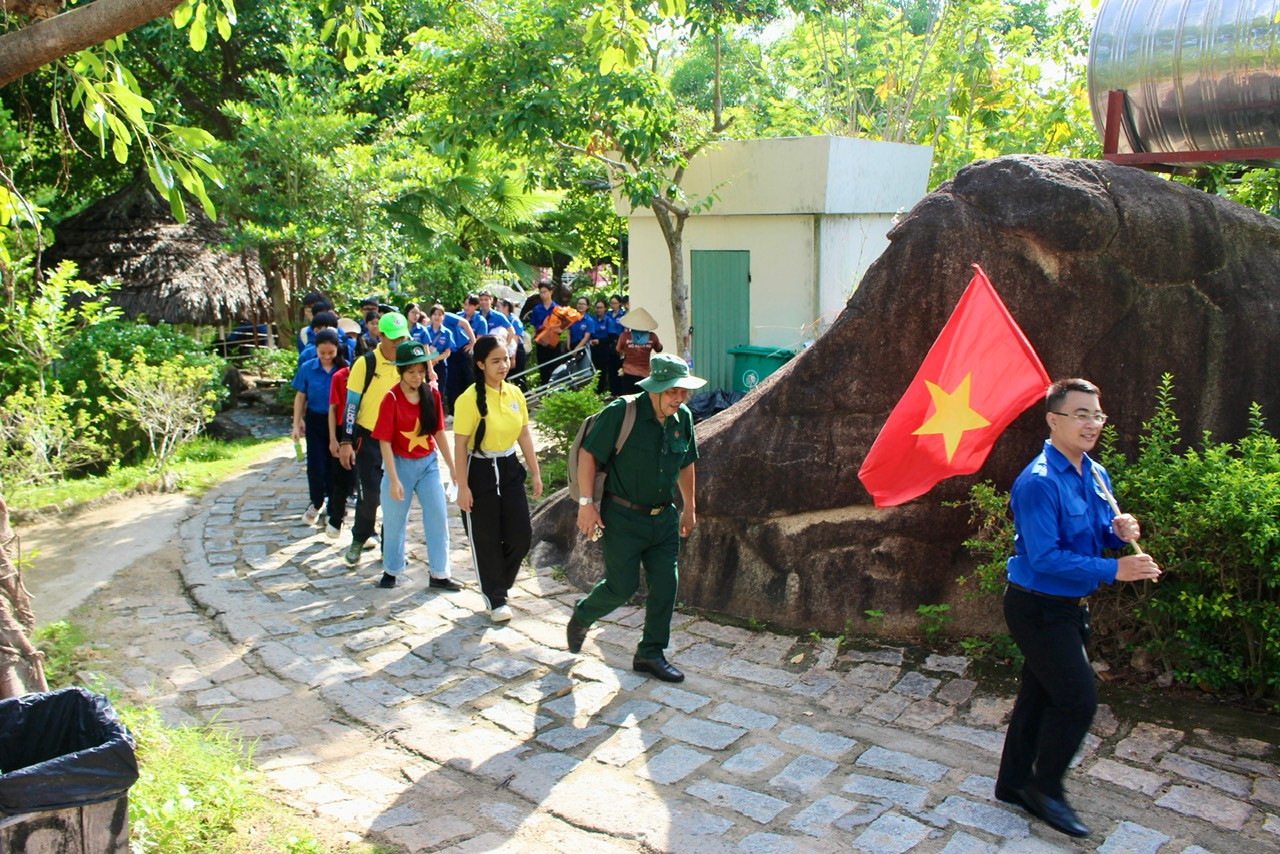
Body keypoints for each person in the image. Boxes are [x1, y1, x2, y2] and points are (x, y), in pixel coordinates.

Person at [994, 378, 1161, 838]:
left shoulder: (1095, 473)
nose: (1092, 424)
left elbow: (1096, 535)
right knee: (1077, 698)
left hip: (1069, 606)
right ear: (1053, 419)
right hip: (1037, 608)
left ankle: (1013, 784)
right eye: (1081, 414)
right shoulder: (1038, 482)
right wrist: (1115, 570)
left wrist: (1119, 533)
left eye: (1097, 415)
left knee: (1040, 693)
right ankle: (1045, 789)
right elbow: (1045, 558)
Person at [567, 354, 704, 682]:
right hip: (623, 517)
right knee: (622, 587)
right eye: (672, 391)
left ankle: (650, 653)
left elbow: (686, 463)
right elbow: (588, 454)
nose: (679, 398)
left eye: (683, 391)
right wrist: (586, 504)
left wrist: (689, 507)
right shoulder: (622, 412)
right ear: (655, 388)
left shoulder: (682, 418)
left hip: (664, 518)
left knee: (666, 583)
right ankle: (584, 614)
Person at [453, 336, 543, 622]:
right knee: (486, 537)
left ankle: (498, 583)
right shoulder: (468, 400)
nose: (503, 365)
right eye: (496, 361)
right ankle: (495, 598)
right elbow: (459, 445)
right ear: (481, 364)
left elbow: (524, 434)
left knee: (521, 535)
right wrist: (462, 487)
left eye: (505, 359)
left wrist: (535, 472)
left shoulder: (515, 393)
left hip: (509, 466)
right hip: (478, 470)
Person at [373, 341, 462, 590]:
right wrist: (393, 479)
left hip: (428, 464)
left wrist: (452, 468)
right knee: (394, 521)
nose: (416, 376)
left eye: (421, 371)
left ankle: (440, 574)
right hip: (399, 464)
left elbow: (439, 433)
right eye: (411, 371)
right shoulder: (391, 398)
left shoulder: (431, 394)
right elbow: (384, 441)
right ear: (400, 371)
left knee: (437, 516)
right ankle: (391, 570)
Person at [339, 313, 414, 567]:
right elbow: (351, 405)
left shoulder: (410, 362)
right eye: (393, 338)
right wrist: (346, 442)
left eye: (403, 338)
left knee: (397, 496)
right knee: (370, 495)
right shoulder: (365, 364)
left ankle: (389, 547)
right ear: (379, 336)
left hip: (399, 441)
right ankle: (359, 538)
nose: (399, 343)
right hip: (369, 439)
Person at [290, 328, 345, 527]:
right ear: (316, 350)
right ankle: (316, 502)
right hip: (315, 419)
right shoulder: (307, 368)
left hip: (338, 422)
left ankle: (333, 506)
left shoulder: (344, 369)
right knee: (316, 464)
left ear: (337, 349)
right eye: (322, 352)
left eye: (331, 352)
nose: (327, 356)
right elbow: (300, 397)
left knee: (335, 465)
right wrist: (296, 423)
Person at [616, 307, 663, 396]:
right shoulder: (652, 337)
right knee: (643, 399)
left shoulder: (624, 336)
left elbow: (617, 350)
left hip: (628, 373)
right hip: (645, 375)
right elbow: (659, 349)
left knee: (629, 400)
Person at [529, 282, 562, 385]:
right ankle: (544, 389)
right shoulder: (537, 309)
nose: (543, 295)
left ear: (551, 292)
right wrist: (534, 336)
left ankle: (556, 389)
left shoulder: (558, 309)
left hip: (554, 342)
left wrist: (560, 331)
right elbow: (534, 327)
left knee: (556, 368)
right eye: (541, 292)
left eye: (545, 292)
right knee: (543, 369)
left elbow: (563, 326)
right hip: (541, 342)